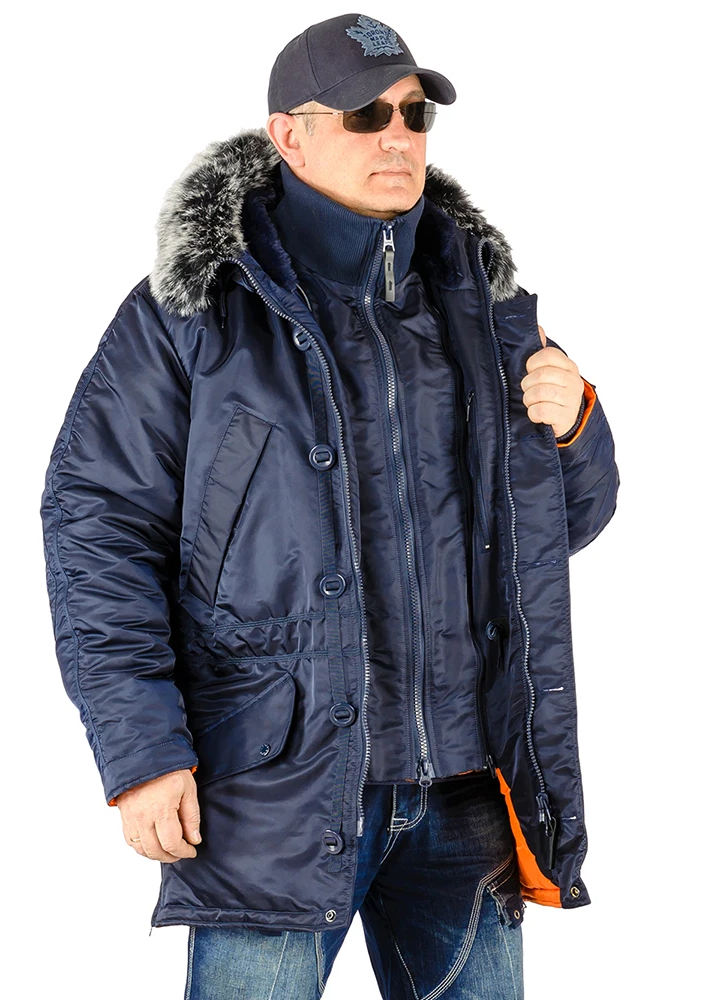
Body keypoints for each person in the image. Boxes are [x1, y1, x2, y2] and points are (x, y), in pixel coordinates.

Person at [39, 12, 620, 999]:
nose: (397, 136)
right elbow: (97, 527)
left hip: (468, 797)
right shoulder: (196, 311)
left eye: (414, 113)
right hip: (272, 790)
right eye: (363, 115)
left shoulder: (478, 304)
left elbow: (566, 524)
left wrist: (576, 432)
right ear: (288, 135)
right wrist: (141, 753)